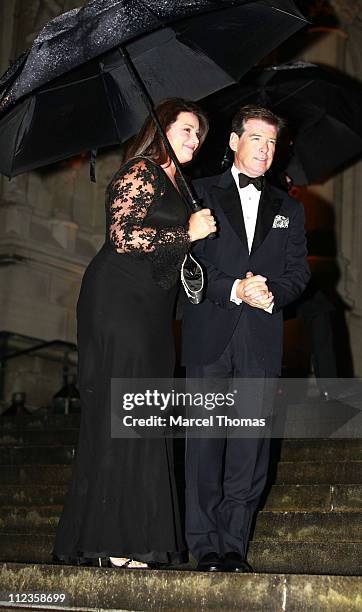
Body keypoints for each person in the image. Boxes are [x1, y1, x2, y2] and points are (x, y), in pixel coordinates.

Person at [53, 98, 216, 569]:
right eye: (186, 129)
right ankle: (112, 542)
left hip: (151, 310)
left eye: (199, 134)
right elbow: (124, 237)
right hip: (118, 302)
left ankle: (133, 538)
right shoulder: (139, 171)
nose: (194, 140)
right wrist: (186, 230)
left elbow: (167, 250)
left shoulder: (178, 185)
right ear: (159, 130)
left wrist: (189, 242)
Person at [182, 105, 310, 572]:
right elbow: (187, 263)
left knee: (249, 447)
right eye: (256, 139)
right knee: (204, 445)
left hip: (260, 337)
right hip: (210, 332)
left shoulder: (290, 208)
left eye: (272, 142)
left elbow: (299, 273)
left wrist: (271, 292)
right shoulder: (197, 194)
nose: (265, 149)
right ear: (234, 142)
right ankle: (204, 546)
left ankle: (233, 546)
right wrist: (234, 288)